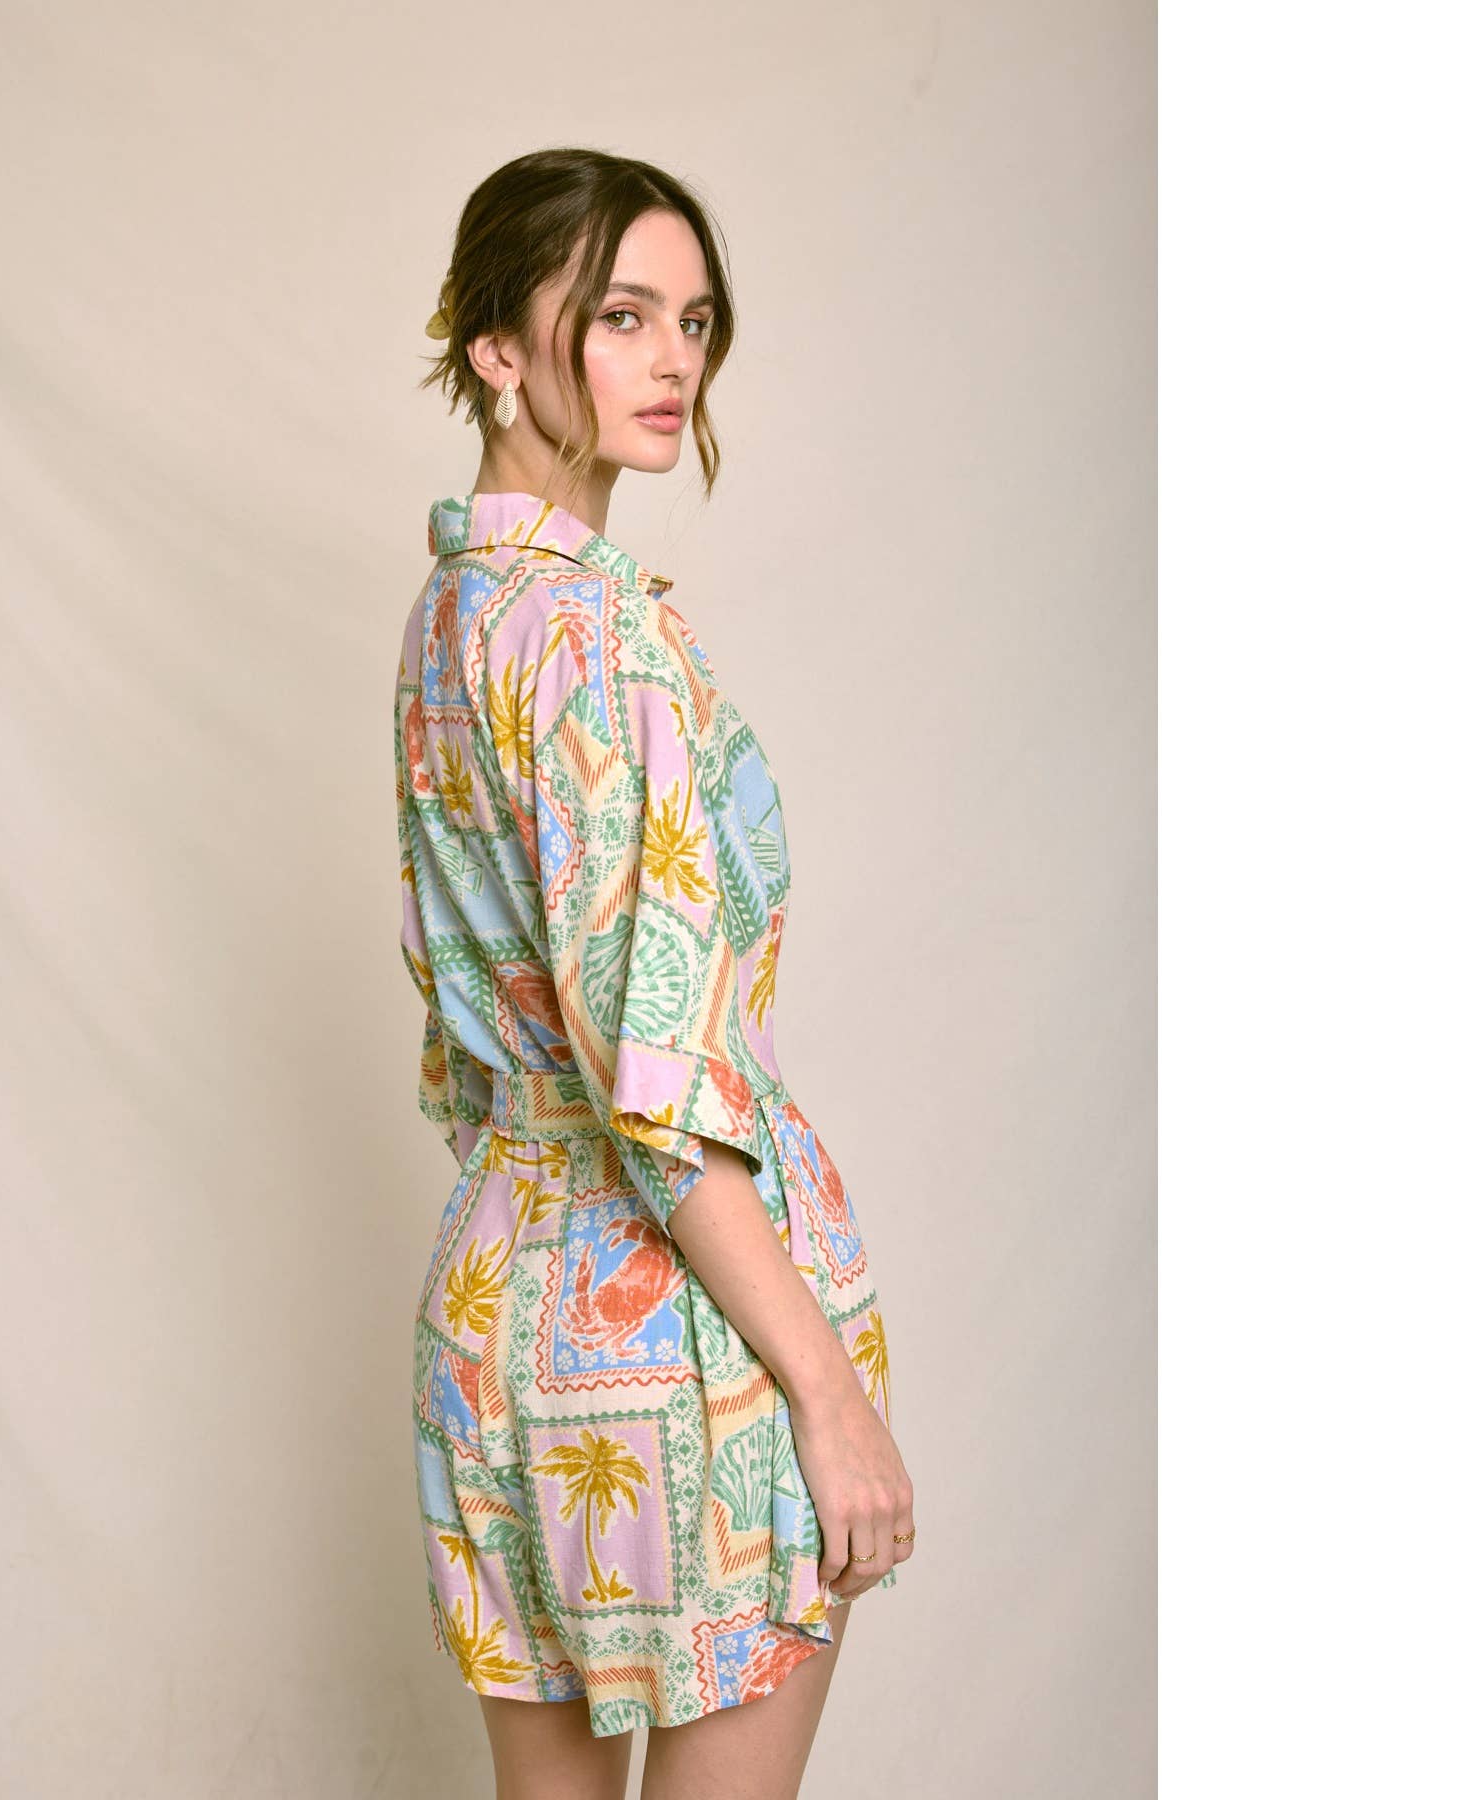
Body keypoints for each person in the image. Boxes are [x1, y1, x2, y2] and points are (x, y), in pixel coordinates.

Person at [395, 148, 916, 1800]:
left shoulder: (456, 610)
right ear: (497, 346)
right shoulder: (597, 642)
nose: (673, 359)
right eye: (620, 316)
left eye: (692, 321)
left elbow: (488, 1034)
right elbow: (660, 1083)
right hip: (677, 1343)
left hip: (503, 1316)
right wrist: (828, 1398)